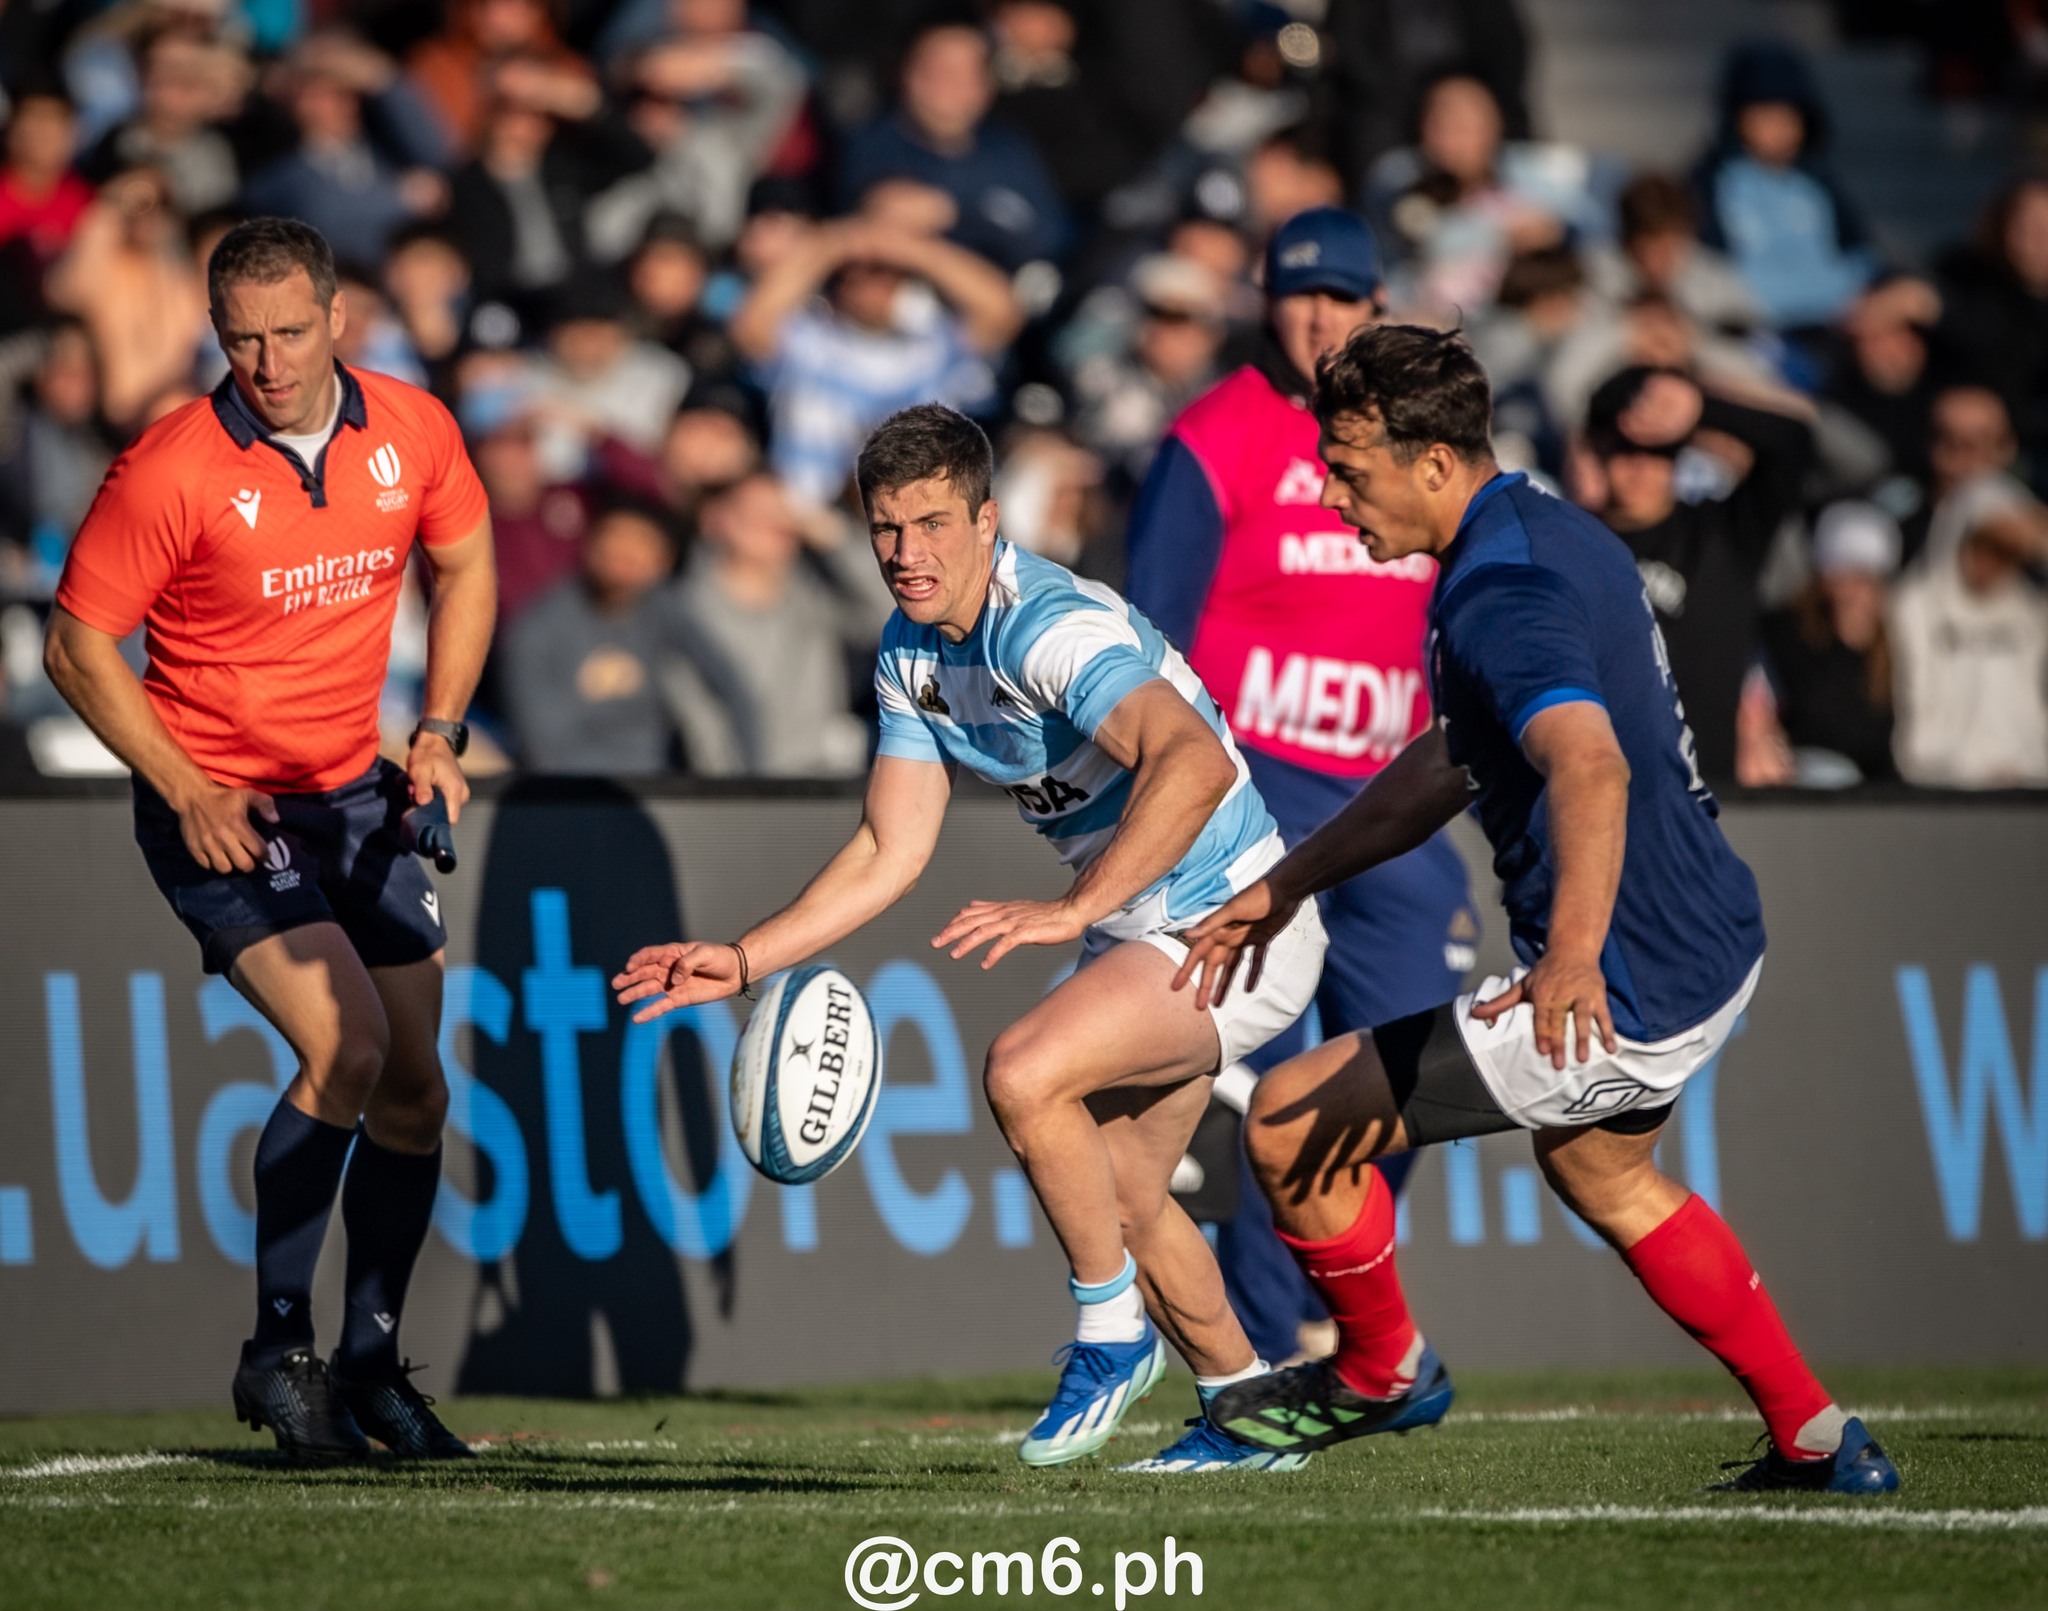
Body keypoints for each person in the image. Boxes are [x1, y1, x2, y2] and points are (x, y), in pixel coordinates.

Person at [1171, 323, 1899, 1496]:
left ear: (1433, 465)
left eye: (1347, 468)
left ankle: (1379, 1374)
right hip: (1702, 936)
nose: (1327, 489)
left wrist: (1569, 961)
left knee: (1289, 1123)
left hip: (1622, 976)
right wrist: (1284, 883)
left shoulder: (1497, 589)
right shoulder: (1544, 530)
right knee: (1604, 1176)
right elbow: (1446, 761)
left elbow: (1591, 766)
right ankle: (1817, 1441)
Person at [615, 404, 1332, 1475]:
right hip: (1149, 926)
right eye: (885, 528)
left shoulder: (1047, 625)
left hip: (1234, 919)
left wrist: (1073, 910)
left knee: (1023, 1071)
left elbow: (1195, 765)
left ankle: (1109, 1336)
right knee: (1125, 1196)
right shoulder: (909, 653)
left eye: (933, 524)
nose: (906, 554)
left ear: (989, 520)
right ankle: (1247, 1412)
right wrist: (748, 956)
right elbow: (886, 849)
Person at [42, 217, 495, 1460]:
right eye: (241, 337)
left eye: (290, 331)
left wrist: (441, 727)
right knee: (344, 1043)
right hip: (225, 804)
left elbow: (464, 560)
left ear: (340, 317)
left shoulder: (412, 428)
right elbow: (76, 648)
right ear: (213, 334)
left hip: (356, 793)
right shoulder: (169, 468)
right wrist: (183, 784)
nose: (268, 360)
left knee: (414, 1085)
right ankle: (276, 1352)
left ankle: (370, 1364)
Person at [1124, 207, 1474, 1373]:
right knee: (1272, 1082)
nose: (1318, 317)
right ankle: (1274, 1339)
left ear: (1376, 302)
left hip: (1390, 800)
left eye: (1340, 296)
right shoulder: (1214, 435)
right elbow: (1148, 638)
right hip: (1255, 799)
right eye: (1295, 294)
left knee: (1424, 1059)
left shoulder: (1411, 439)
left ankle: (1327, 1289)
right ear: (1262, 301)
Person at [1572, 365, 1815, 783]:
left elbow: (1795, 444)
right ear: (1597, 448)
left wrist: (1702, 410)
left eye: (1659, 451)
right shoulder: (1569, 545)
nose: (1640, 466)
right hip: (1602, 789)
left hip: (1708, 790)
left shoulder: (1725, 533)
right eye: (1623, 448)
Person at [730, 210, 1022, 510]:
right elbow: (751, 325)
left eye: (885, 272)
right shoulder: (809, 342)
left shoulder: (932, 346)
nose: (870, 283)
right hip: (805, 519)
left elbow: (1003, 312)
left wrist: (911, 248)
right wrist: (834, 243)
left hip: (918, 517)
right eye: (854, 272)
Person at [664, 468, 894, 776]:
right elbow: (694, 718)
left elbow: (891, 610)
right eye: (756, 513)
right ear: (715, 519)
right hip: (723, 791)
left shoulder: (815, 599)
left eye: (783, 513)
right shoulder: (683, 611)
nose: (775, 524)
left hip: (818, 783)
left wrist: (834, 535)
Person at [1889, 470, 2048, 787]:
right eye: (1982, 545)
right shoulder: (1914, 605)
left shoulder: (2030, 610)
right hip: (1940, 788)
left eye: (2004, 551)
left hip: (2027, 785)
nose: (1989, 562)